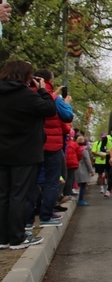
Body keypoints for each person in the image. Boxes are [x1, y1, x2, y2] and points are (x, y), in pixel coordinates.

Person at [0, 59, 55, 249]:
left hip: (2, 151)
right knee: (19, 195)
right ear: (25, 76)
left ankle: (3, 237)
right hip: (25, 152)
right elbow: (49, 109)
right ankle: (17, 237)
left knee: (3, 194)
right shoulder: (25, 95)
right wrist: (41, 89)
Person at [27, 68, 73, 228]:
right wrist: (67, 104)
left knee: (30, 182)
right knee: (52, 181)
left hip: (32, 145)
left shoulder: (26, 95)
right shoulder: (54, 98)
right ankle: (46, 215)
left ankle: (28, 220)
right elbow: (67, 118)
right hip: (52, 146)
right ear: (50, 81)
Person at [74, 135, 93, 207]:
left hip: (76, 168)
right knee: (83, 185)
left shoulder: (75, 149)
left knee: (79, 185)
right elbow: (87, 161)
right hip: (83, 169)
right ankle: (81, 200)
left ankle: (80, 199)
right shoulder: (84, 150)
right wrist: (91, 171)